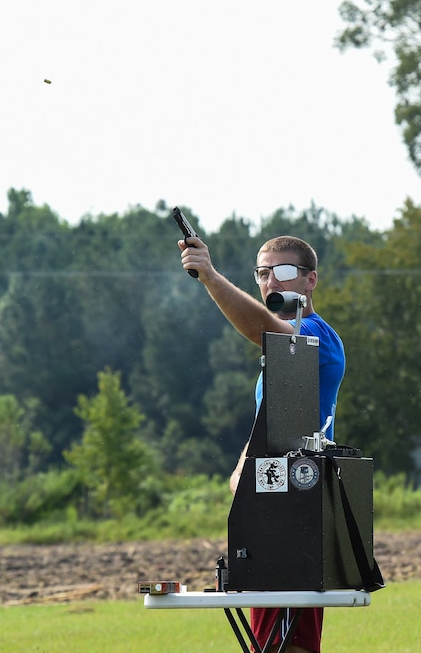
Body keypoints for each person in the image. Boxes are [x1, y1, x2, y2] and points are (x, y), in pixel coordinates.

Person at [180, 233, 345, 653]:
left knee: (286, 645)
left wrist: (211, 278)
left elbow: (267, 330)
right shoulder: (282, 354)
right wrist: (242, 471)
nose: (272, 282)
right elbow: (267, 426)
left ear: (311, 281)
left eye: (285, 272)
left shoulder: (314, 337)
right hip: (274, 509)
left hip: (296, 511)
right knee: (274, 644)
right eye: (263, 273)